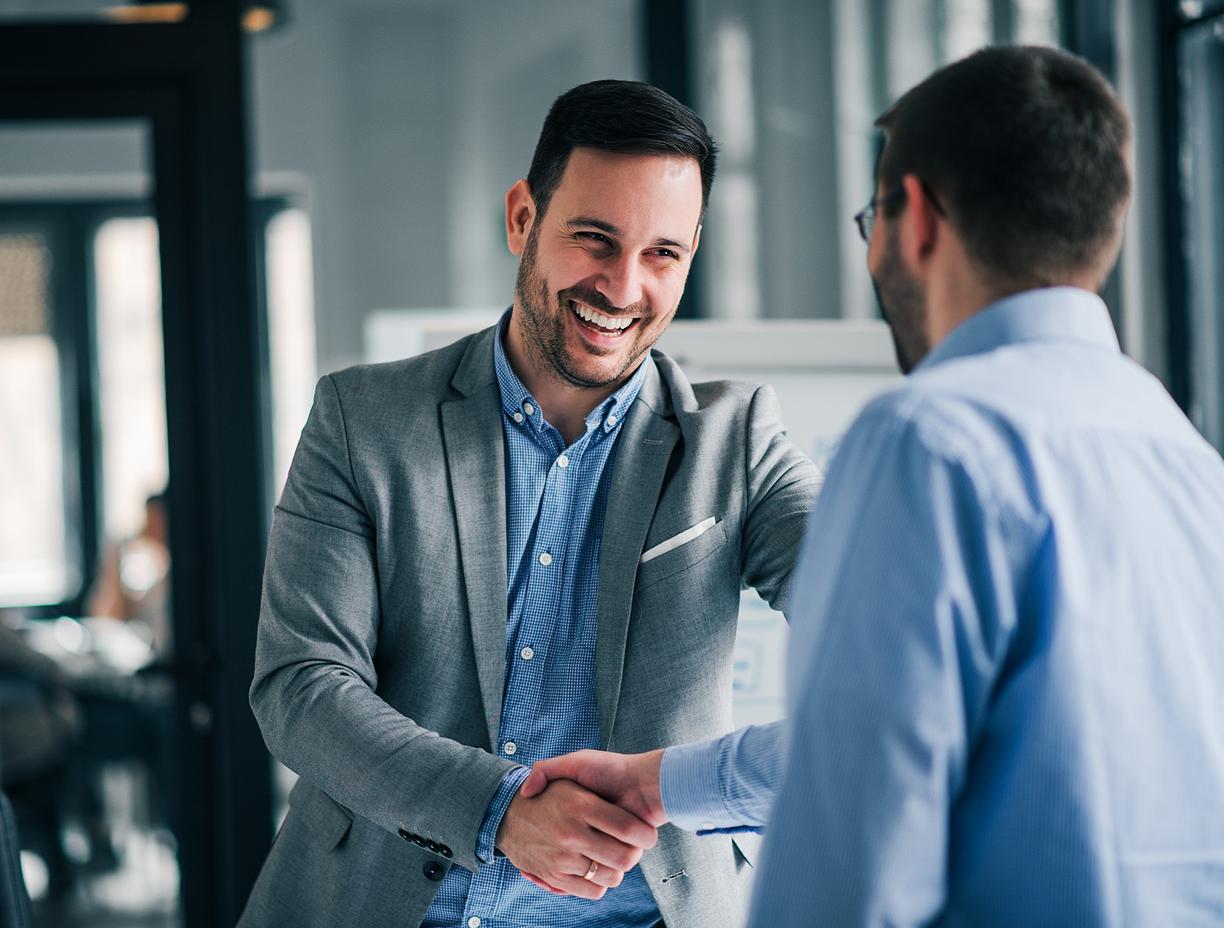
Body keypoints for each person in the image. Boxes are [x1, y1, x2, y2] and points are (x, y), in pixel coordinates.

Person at [522, 46, 1224, 926]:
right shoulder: (1187, 459)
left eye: (872, 219)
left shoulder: (930, 442)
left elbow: (852, 830)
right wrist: (662, 783)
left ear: (917, 219)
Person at [239, 80, 820, 928]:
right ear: (522, 218)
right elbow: (301, 687)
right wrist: (499, 809)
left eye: (663, 255)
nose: (624, 288)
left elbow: (886, 634)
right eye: (595, 239)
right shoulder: (362, 421)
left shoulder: (738, 442)